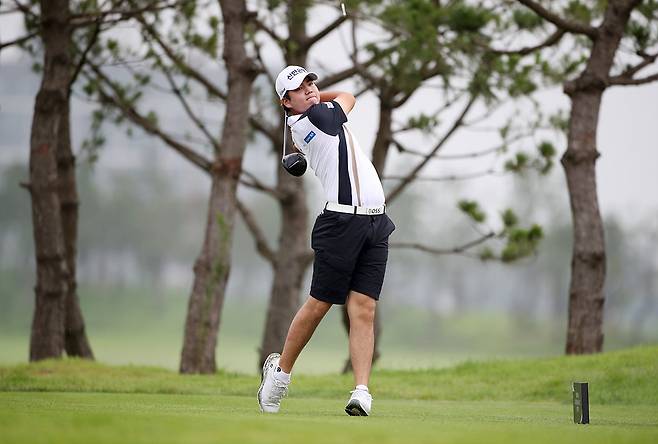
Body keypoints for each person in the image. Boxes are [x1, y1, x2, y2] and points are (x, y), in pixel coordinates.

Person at [258, 65, 395, 416]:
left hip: (375, 223)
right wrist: (322, 98)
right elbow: (348, 98)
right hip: (340, 224)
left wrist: (319, 94)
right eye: (298, 89)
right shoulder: (312, 121)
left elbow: (346, 99)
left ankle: (361, 391)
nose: (308, 90)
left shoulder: (317, 111)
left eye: (310, 83)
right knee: (319, 304)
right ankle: (279, 376)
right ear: (285, 102)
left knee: (364, 307)